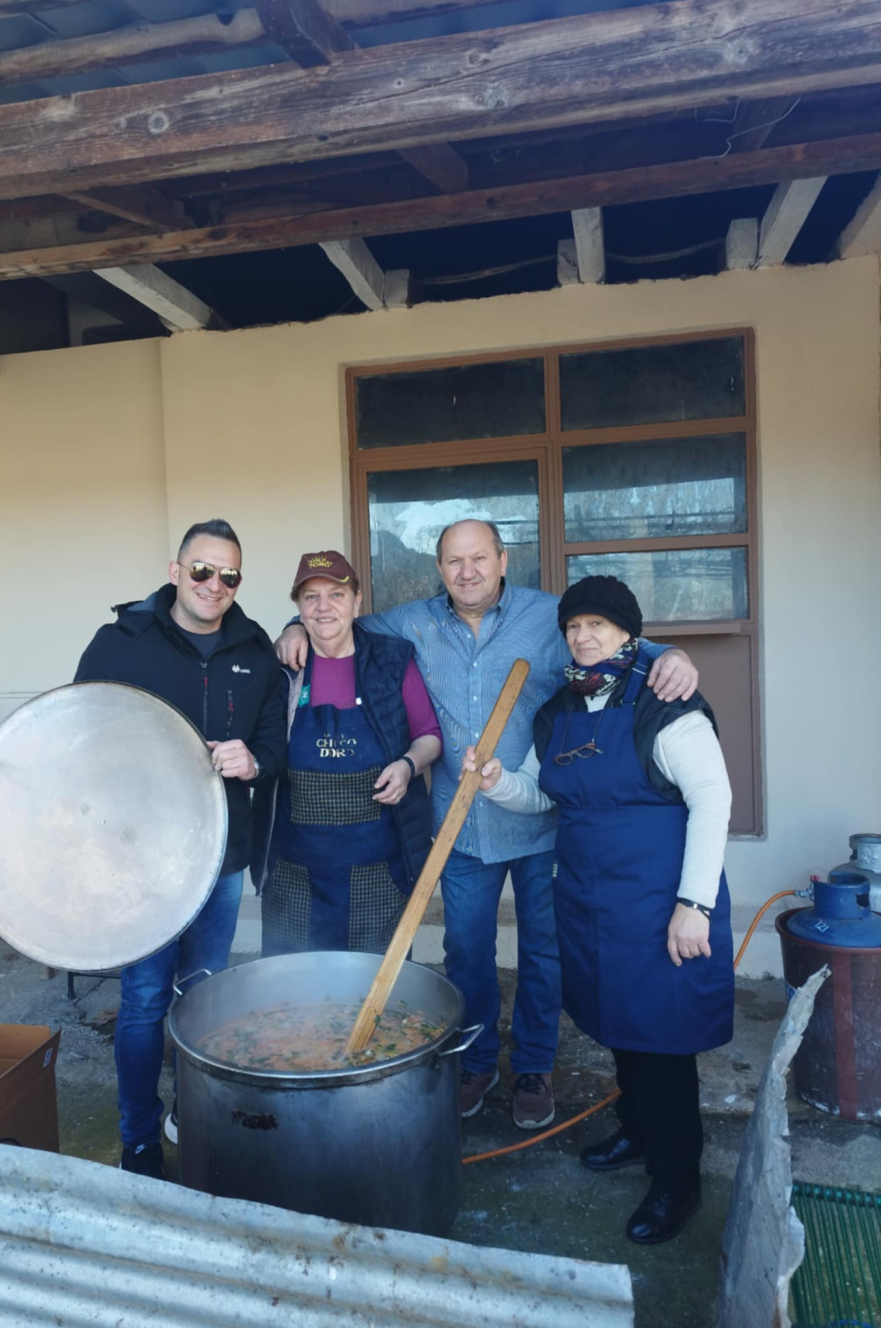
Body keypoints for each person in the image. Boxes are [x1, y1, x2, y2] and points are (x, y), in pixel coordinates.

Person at [276, 519, 698, 1131]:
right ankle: (475, 1061)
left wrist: (672, 654)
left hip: (540, 819)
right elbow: (334, 619)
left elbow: (616, 643)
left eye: (479, 558)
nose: (467, 571)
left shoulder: (549, 617)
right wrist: (291, 627)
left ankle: (533, 1066)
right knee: (467, 951)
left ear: (503, 560)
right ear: (439, 568)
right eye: (454, 560)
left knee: (543, 952)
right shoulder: (412, 622)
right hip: (461, 826)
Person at [464, 574, 733, 1244]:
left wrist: (694, 904)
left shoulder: (663, 699)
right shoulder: (561, 708)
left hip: (659, 900)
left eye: (598, 626)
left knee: (662, 1041)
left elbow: (714, 798)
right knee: (619, 1025)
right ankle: (638, 1133)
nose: (583, 637)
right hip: (589, 899)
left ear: (627, 633)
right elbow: (542, 794)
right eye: (574, 626)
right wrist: (497, 783)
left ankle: (677, 1179)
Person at [75, 517, 286, 1180]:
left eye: (229, 575)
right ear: (175, 571)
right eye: (201, 569)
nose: (214, 584)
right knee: (144, 999)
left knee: (203, 991)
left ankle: (192, 1112)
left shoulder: (256, 651)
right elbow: (79, 736)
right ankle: (139, 1137)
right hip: (140, 860)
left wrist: (253, 761)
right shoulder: (121, 641)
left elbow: (274, 747)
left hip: (221, 856)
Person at [254, 551, 441, 955]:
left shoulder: (392, 660)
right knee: (293, 982)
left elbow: (429, 735)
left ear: (357, 602)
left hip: (378, 871)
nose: (324, 607)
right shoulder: (281, 669)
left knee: (375, 984)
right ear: (299, 608)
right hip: (294, 873)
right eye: (311, 597)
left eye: (336, 595)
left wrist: (407, 766)